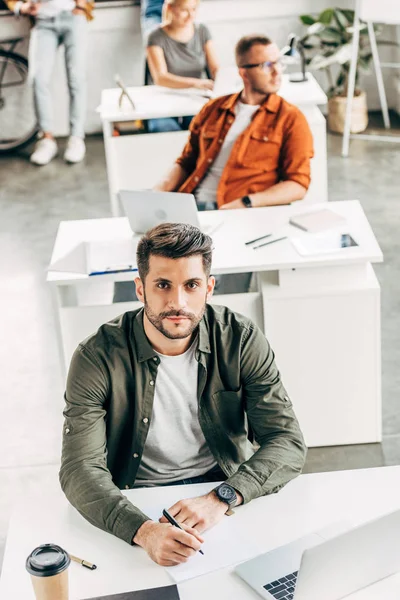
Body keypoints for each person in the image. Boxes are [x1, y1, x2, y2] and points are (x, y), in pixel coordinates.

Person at [60, 222, 306, 566]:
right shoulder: (97, 356)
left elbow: (286, 440)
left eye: (191, 285)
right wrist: (143, 531)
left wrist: (222, 497)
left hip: (224, 486)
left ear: (209, 288)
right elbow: (79, 469)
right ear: (140, 289)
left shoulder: (241, 339)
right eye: (163, 285)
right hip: (137, 497)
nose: (178, 302)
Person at [155, 34, 314, 210]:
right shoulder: (213, 109)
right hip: (191, 205)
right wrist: (158, 190)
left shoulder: (290, 118)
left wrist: (246, 203)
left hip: (238, 211)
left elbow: (298, 184)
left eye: (278, 63)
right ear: (243, 72)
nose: (277, 72)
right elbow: (186, 162)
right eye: (267, 65)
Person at [5, 0, 93, 165]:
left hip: (73, 16)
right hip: (43, 21)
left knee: (77, 78)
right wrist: (21, 7)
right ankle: (47, 139)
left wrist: (81, 5)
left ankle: (76, 137)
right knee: (39, 79)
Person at [145, 0, 219, 133]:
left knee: (201, 125)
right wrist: (198, 83)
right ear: (170, 8)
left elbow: (215, 69)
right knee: (165, 129)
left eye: (194, 10)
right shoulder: (155, 37)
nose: (190, 16)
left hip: (194, 99)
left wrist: (224, 79)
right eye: (185, 10)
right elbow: (161, 78)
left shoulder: (202, 30)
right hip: (164, 100)